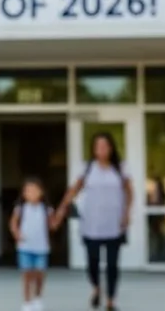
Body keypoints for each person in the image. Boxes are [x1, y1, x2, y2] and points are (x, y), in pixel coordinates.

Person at [56, 132, 133, 310]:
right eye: (98, 146)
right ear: (93, 149)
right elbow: (73, 190)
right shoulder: (87, 168)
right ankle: (97, 288)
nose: (101, 149)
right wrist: (61, 209)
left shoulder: (121, 168)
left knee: (113, 264)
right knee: (92, 263)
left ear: (111, 148)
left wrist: (127, 214)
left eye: (105, 145)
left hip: (114, 224)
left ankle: (111, 300)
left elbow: (129, 192)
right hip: (91, 224)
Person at [9, 177, 60, 311]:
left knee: (39, 274)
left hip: (41, 247)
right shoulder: (21, 208)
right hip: (25, 247)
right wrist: (16, 234)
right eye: (28, 191)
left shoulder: (46, 209)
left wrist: (58, 218)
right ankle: (27, 301)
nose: (31, 194)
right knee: (26, 275)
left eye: (34, 191)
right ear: (24, 194)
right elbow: (13, 223)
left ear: (41, 192)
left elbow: (52, 225)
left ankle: (37, 297)